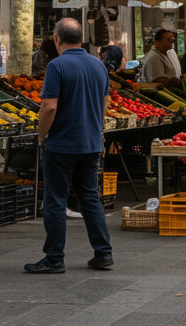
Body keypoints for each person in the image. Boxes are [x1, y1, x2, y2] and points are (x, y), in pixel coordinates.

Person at [25, 19, 113, 273]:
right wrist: (97, 127)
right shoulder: (98, 65)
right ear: (81, 38)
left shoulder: (57, 65)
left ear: (56, 39)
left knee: (55, 200)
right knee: (90, 198)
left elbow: (49, 106)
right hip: (91, 142)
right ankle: (103, 253)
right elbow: (105, 100)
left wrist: (43, 135)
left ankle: (54, 258)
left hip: (62, 144)